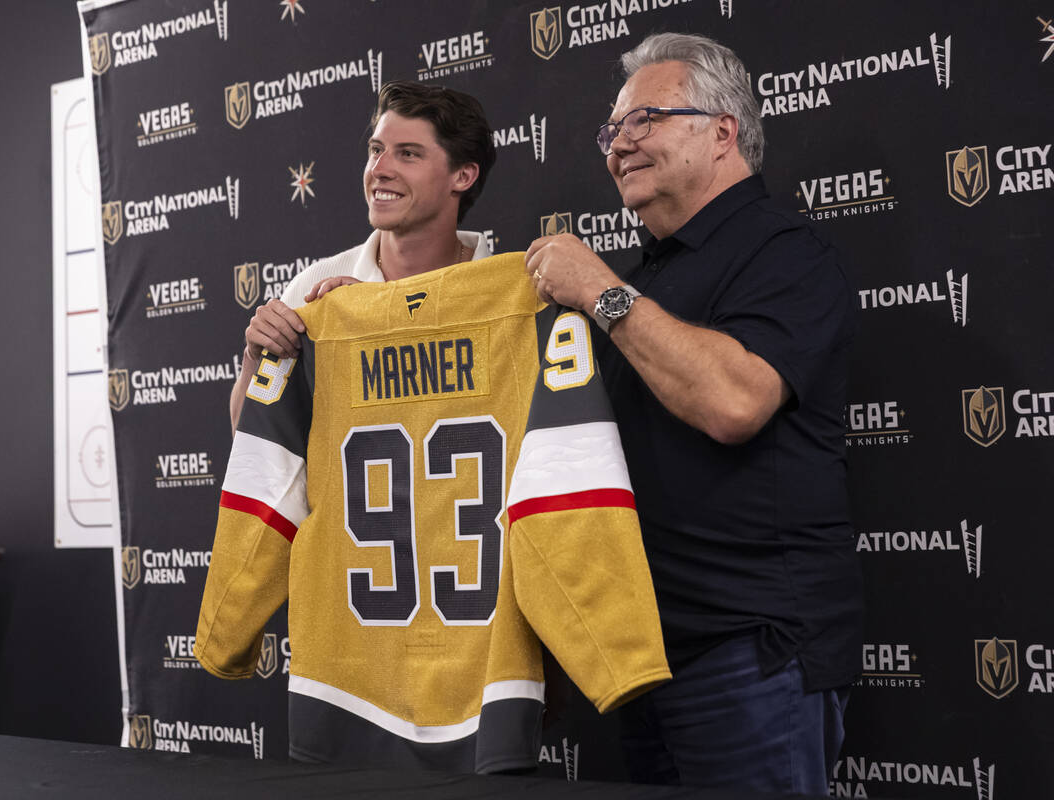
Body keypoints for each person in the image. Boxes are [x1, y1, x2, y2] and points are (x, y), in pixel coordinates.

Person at [524, 32, 862, 794]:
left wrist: (603, 292)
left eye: (646, 119)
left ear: (722, 131)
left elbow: (735, 401)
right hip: (635, 658)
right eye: (612, 130)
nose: (620, 144)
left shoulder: (786, 250)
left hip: (749, 656)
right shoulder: (646, 276)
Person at [229, 80, 496, 431]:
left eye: (408, 154)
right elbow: (250, 443)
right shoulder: (311, 289)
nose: (379, 169)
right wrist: (255, 357)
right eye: (375, 149)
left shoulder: (510, 295)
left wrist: (382, 317)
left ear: (462, 175)